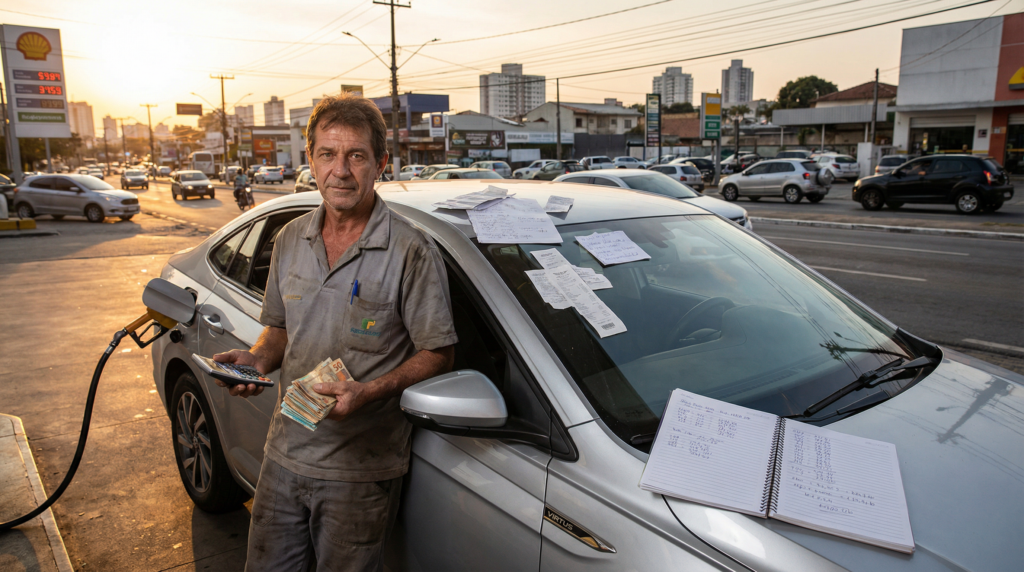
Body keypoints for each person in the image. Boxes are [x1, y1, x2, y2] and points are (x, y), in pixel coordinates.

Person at [213, 93, 458, 572]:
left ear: (380, 163)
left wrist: (368, 392)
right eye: (327, 154)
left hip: (360, 471)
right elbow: (280, 330)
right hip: (284, 451)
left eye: (356, 156)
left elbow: (438, 353)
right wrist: (257, 361)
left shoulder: (411, 251)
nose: (340, 170)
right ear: (310, 159)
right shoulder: (289, 239)